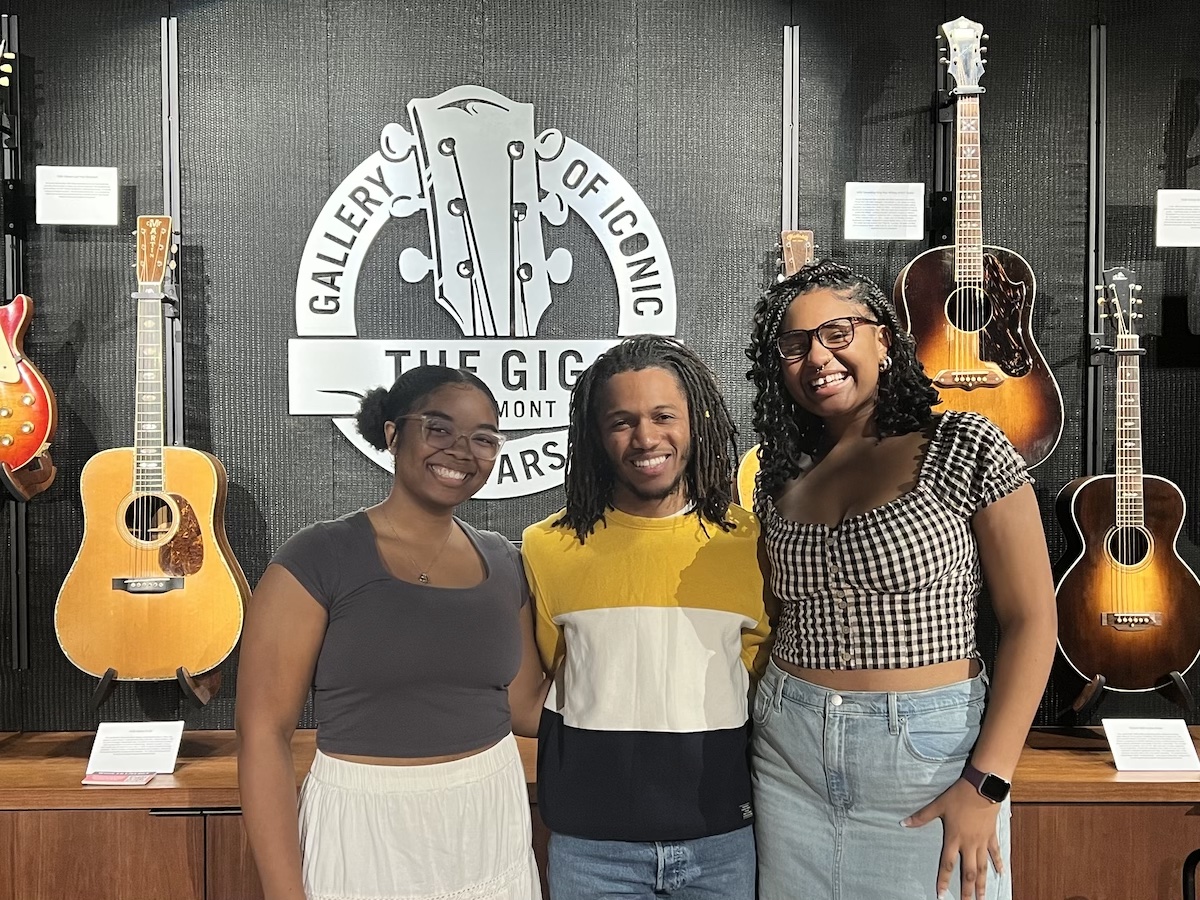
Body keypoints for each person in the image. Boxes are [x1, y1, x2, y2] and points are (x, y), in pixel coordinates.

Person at [744, 261, 1057, 900]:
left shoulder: (964, 443)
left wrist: (987, 782)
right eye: (795, 345)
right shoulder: (781, 475)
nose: (817, 358)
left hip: (929, 758)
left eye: (837, 333)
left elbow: (1032, 620)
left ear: (884, 339)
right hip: (788, 754)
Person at [236, 365, 547, 900]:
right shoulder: (318, 557)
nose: (461, 450)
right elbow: (263, 734)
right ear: (392, 433)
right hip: (364, 829)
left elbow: (527, 707)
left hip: (489, 821)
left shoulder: (504, 561)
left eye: (484, 438)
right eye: (439, 428)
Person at [521, 335, 772, 900]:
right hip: (590, 849)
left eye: (664, 416)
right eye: (621, 421)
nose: (645, 438)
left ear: (697, 422)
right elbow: (553, 682)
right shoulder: (546, 547)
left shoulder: (750, 543)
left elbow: (761, 687)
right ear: (595, 435)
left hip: (723, 841)